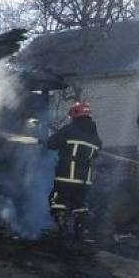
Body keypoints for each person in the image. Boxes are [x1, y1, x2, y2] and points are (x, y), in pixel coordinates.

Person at [45, 101, 102, 243]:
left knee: (57, 201)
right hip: (84, 180)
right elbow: (95, 154)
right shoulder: (95, 137)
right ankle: (79, 234)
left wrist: (55, 136)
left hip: (66, 176)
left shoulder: (69, 130)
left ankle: (62, 230)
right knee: (80, 205)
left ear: (75, 115)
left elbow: (51, 144)